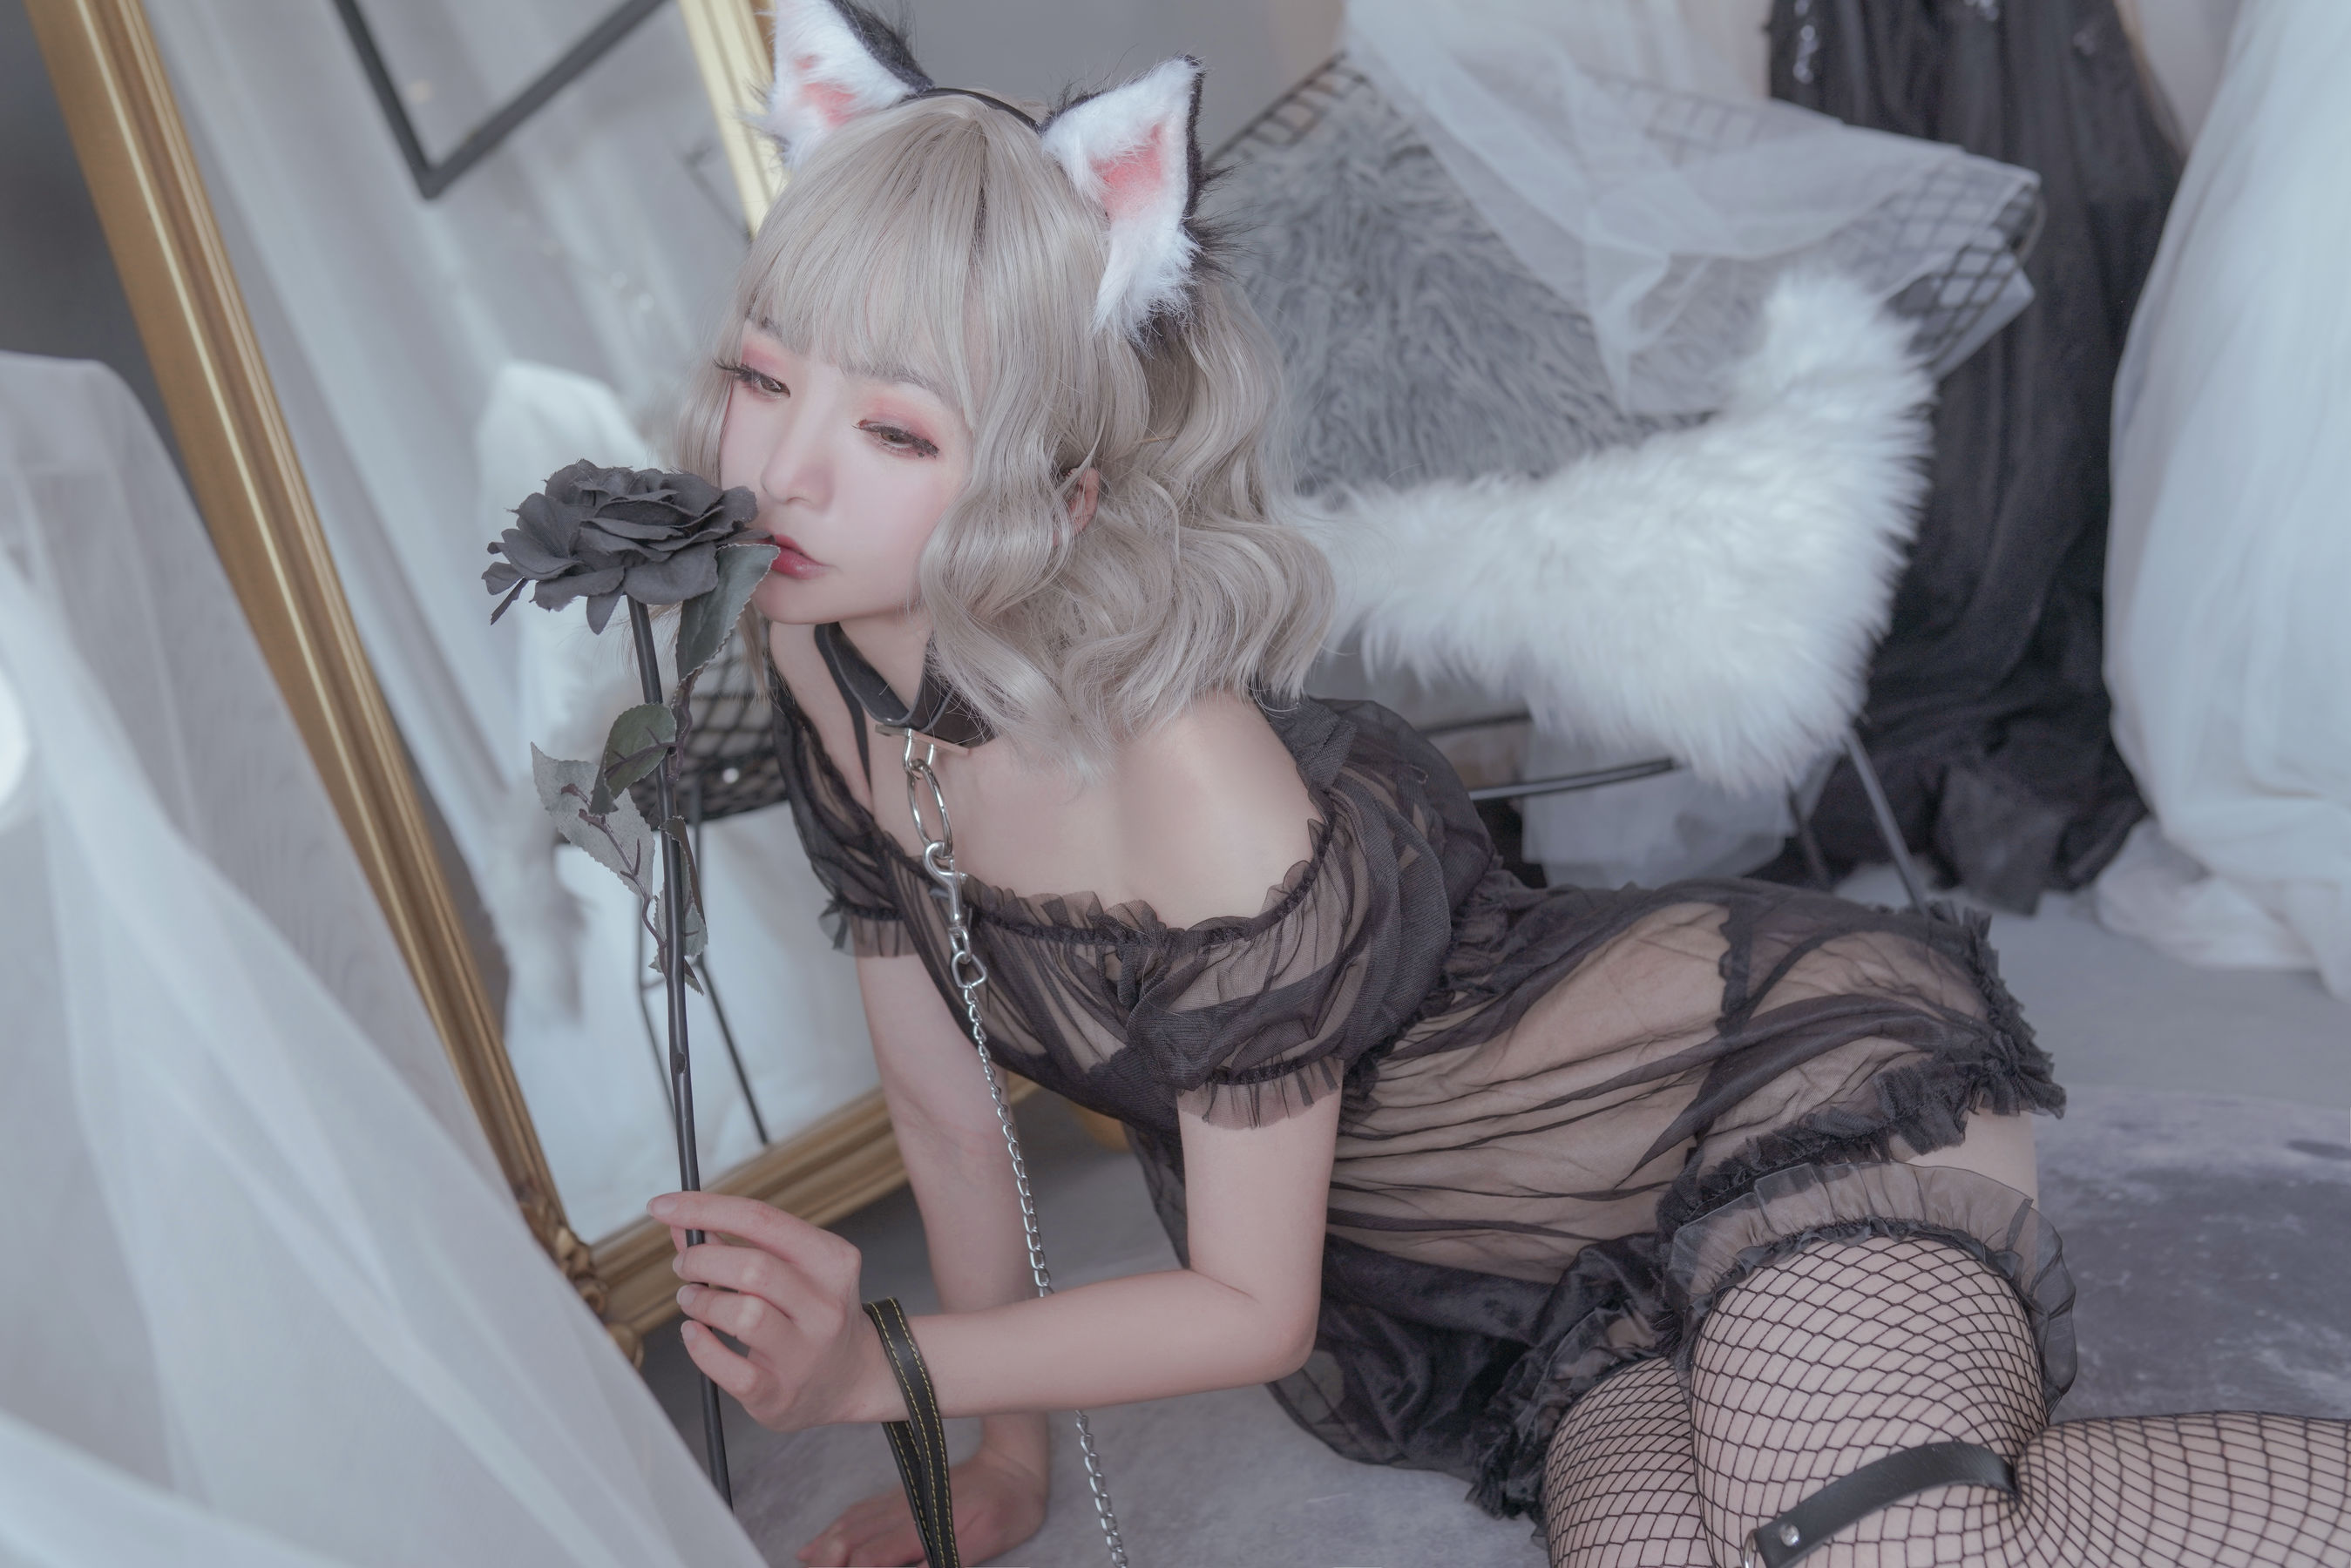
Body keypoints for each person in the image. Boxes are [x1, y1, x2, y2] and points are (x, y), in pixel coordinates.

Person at [649, 4, 2351, 1565]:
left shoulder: (1187, 779)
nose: (782, 474)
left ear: (1061, 488)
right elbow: (951, 1125)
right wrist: (996, 1465)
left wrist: (876, 1367)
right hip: (1528, 1292)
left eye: (894, 431)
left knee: (1880, 1545)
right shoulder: (824, 664)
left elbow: (1247, 1305)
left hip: (1764, 1100)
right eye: (763, 378)